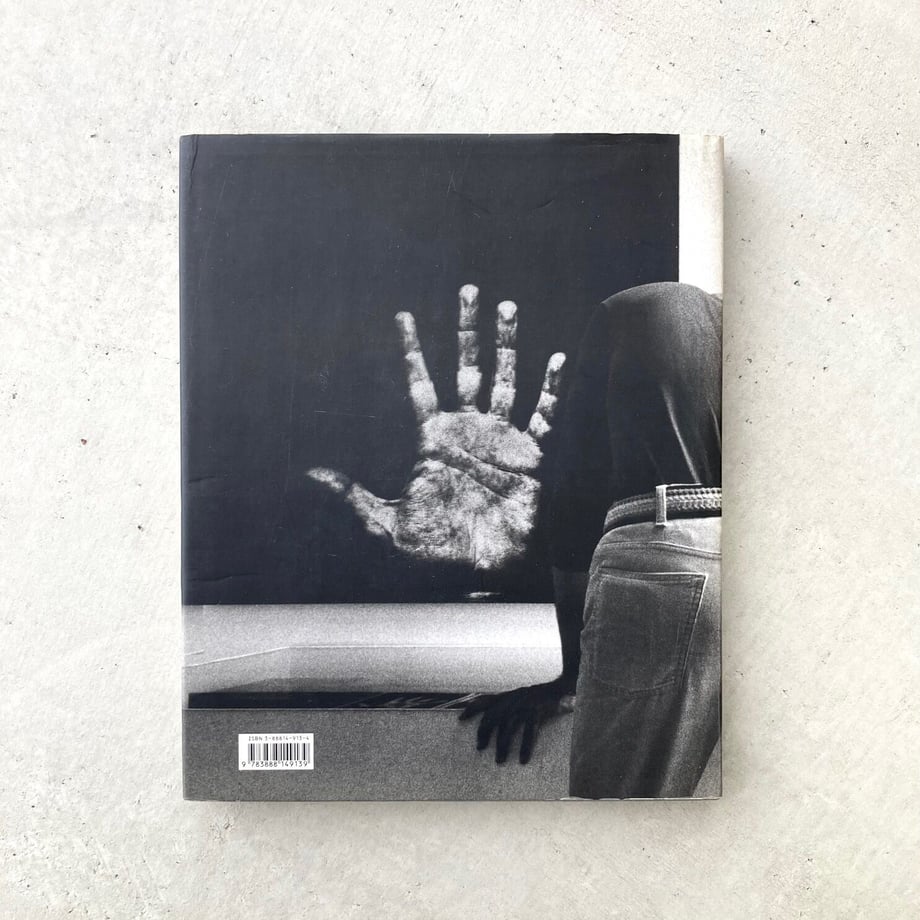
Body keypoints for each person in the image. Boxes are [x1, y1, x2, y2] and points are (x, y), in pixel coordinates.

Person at [462, 281, 722, 798]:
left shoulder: (626, 310)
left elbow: (575, 501)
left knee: (610, 827)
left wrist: (571, 677)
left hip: (663, 556)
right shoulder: (738, 329)